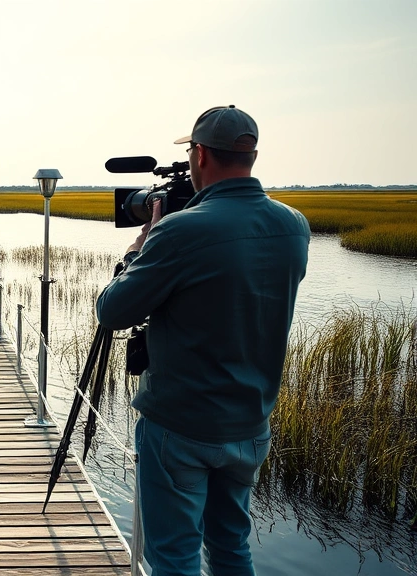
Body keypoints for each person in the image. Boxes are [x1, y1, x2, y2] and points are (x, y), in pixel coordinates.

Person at [95, 105, 310, 576]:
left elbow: (112, 312)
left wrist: (137, 250)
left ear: (200, 156)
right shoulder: (294, 226)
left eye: (191, 151)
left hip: (180, 427)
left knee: (174, 557)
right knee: (232, 547)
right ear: (250, 156)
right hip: (250, 425)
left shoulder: (180, 230)